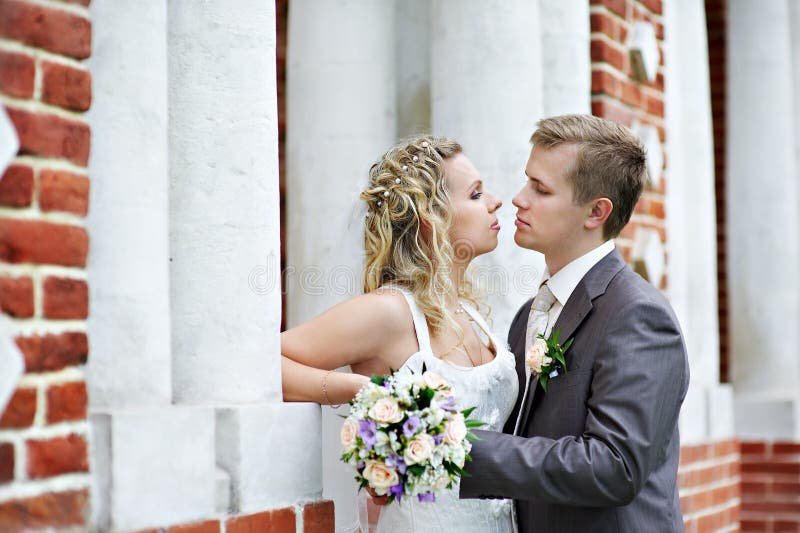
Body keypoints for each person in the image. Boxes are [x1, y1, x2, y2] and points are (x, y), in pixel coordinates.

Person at [459, 114, 690, 532]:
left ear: (596, 212)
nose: (518, 199)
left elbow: (614, 466)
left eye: (540, 189)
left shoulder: (638, 316)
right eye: (527, 181)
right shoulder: (528, 315)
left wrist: (459, 448)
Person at [281, 135, 518, 532]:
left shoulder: (471, 314)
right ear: (432, 214)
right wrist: (356, 390)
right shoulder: (391, 312)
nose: (495, 201)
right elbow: (263, 361)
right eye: (476, 194)